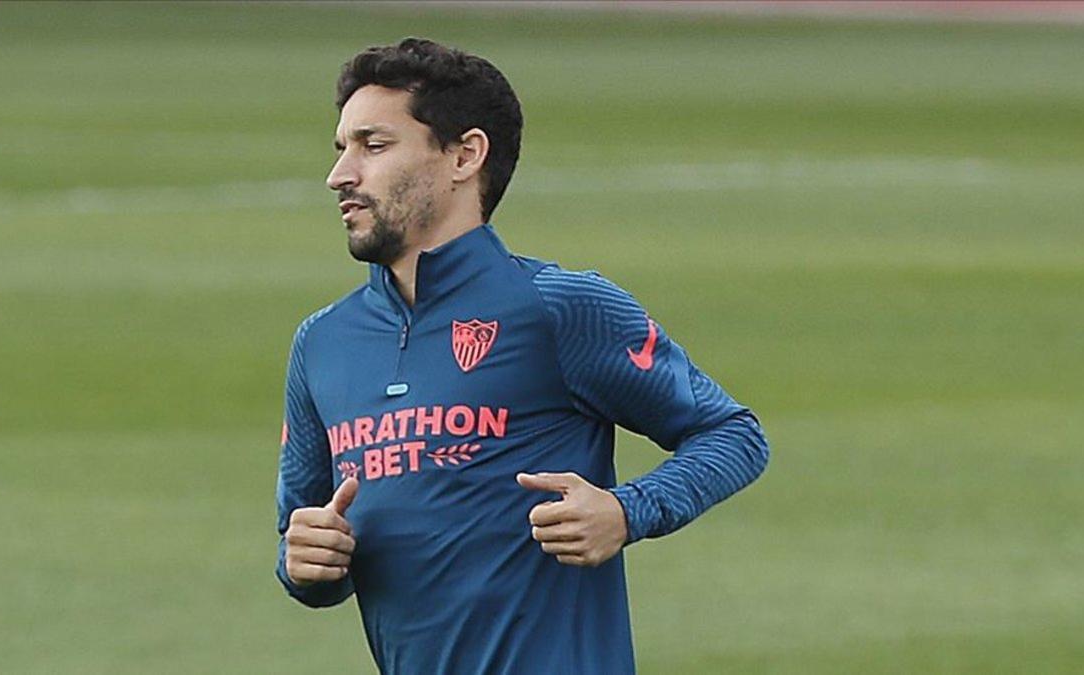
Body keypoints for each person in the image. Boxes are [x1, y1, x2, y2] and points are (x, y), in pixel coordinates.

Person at [275, 37, 769, 674]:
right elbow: (303, 536)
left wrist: (626, 511)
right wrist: (306, 562)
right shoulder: (323, 341)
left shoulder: (560, 308)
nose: (340, 174)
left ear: (464, 155)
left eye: (374, 145)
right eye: (341, 148)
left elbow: (733, 434)